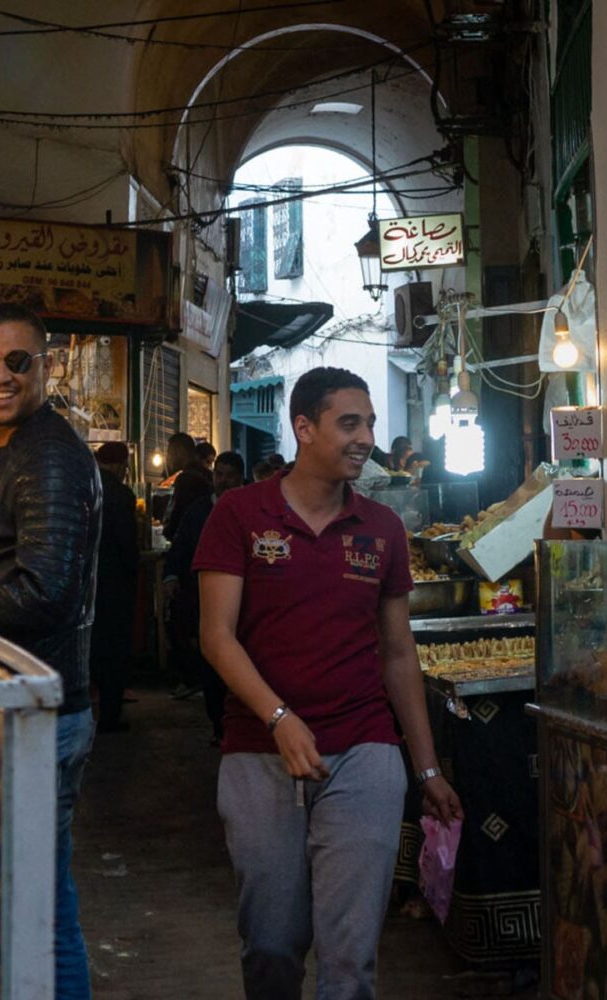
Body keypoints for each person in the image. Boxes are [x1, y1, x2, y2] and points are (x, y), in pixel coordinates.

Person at [194, 367, 462, 1000]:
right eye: (350, 423)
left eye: (369, 423)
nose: (366, 436)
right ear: (303, 428)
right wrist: (278, 718)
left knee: (350, 958)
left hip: (364, 752)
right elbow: (216, 636)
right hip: (259, 755)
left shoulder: (382, 529)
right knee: (271, 943)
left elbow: (399, 654)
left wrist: (426, 769)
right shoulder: (239, 515)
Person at [0, 303, 102, 999]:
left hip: (39, 713)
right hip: (13, 708)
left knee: (40, 904)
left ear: (46, 366)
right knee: (22, 896)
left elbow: (45, 590)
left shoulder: (49, 457)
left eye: (17, 362)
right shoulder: (5, 454)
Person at [162, 450, 245, 743]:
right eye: (219, 475)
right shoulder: (199, 511)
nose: (224, 481)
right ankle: (220, 727)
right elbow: (181, 547)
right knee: (213, 663)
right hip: (204, 600)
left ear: (240, 478)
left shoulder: (251, 511)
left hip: (245, 604)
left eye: (230, 476)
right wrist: (171, 576)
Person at [91, 441, 139, 733]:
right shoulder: (121, 496)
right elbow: (127, 546)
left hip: (87, 584)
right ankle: (110, 714)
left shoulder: (82, 489)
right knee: (114, 649)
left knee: (93, 649)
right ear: (122, 466)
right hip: (115, 584)